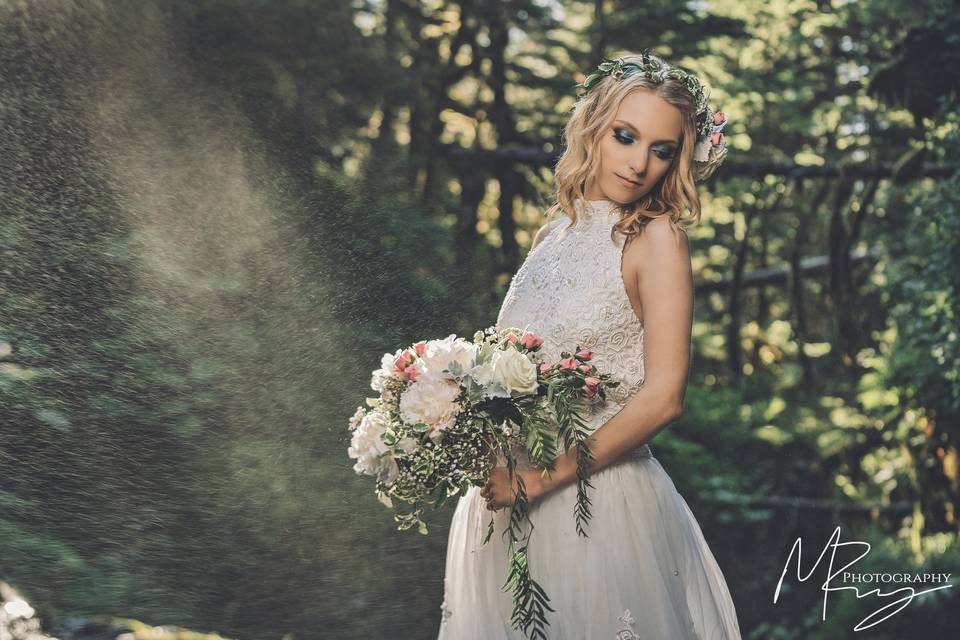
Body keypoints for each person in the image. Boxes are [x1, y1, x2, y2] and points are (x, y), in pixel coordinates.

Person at [437, 50, 741, 639]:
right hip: (506, 506)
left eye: (661, 149)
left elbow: (663, 399)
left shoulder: (657, 240)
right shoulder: (556, 231)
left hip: (593, 506)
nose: (638, 163)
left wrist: (543, 479)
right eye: (625, 136)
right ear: (594, 128)